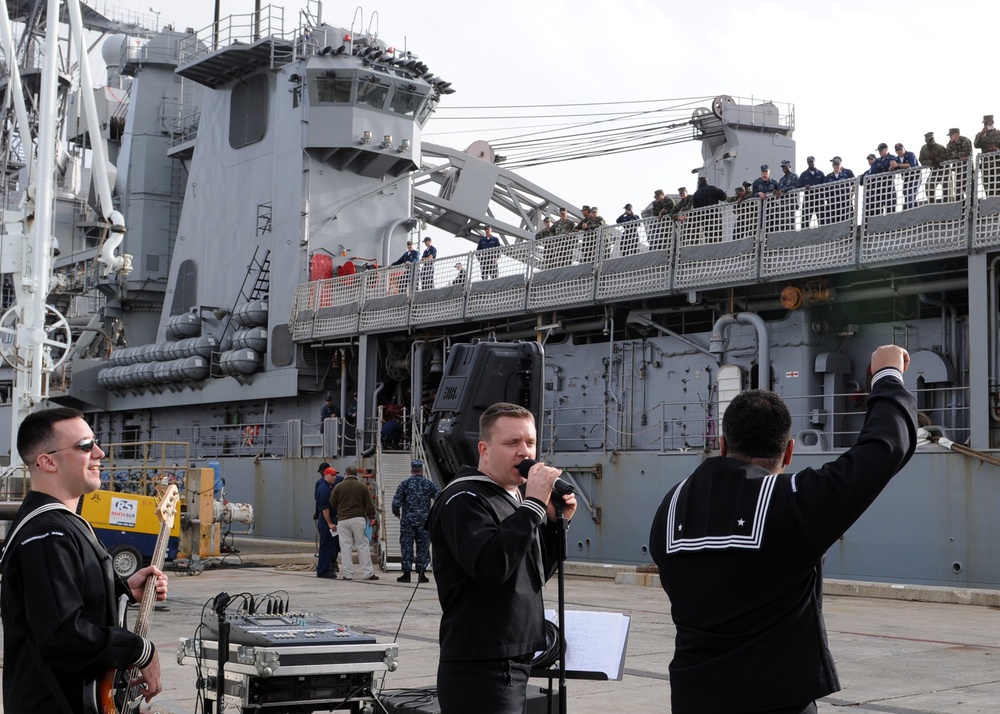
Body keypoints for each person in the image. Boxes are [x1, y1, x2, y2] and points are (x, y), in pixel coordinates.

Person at [649, 345, 917, 714]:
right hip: (777, 702)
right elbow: (886, 447)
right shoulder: (793, 502)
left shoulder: (670, 506)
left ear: (722, 444)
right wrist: (887, 375)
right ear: (789, 453)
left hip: (692, 699)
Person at [1, 407, 168, 713]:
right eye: (85, 446)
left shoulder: (63, 525)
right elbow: (62, 634)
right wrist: (140, 651)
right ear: (47, 461)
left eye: (96, 443)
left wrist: (120, 590)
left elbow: (52, 604)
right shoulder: (48, 533)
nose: (100, 453)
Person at [428, 402, 577, 714]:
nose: (524, 452)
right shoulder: (464, 499)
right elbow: (491, 568)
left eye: (530, 442)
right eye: (512, 443)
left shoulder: (514, 501)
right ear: (484, 449)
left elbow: (530, 575)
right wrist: (534, 504)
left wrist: (553, 523)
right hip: (482, 665)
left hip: (515, 658)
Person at [392, 459, 440, 583]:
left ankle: (406, 574)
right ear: (422, 470)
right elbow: (439, 497)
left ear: (411, 470)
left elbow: (396, 501)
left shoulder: (405, 483)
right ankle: (422, 574)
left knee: (406, 546)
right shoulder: (429, 484)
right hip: (424, 521)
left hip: (408, 521)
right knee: (423, 547)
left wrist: (397, 513)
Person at [329, 465, 379, 581]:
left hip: (343, 520)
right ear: (356, 474)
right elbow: (369, 503)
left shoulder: (338, 486)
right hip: (358, 519)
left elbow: (332, 502)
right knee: (362, 546)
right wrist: (371, 517)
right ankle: (368, 573)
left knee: (345, 547)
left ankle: (347, 574)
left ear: (346, 474)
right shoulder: (362, 487)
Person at [315, 466, 343, 578]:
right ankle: (323, 570)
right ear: (325, 475)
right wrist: (330, 523)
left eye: (335, 475)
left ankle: (325, 568)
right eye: (332, 475)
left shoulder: (328, 487)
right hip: (326, 520)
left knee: (330, 545)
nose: (334, 477)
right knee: (326, 545)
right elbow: (325, 509)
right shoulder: (324, 489)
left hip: (329, 518)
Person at [692, 177, 728, 241]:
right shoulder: (713, 189)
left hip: (704, 220)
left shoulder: (696, 194)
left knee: (709, 238)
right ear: (706, 181)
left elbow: (695, 209)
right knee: (718, 237)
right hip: (715, 217)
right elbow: (724, 197)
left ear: (699, 183)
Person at [919, 131, 950, 203]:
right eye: (930, 140)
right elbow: (921, 160)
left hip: (945, 170)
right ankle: (931, 203)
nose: (932, 140)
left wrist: (938, 161)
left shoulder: (940, 148)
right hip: (934, 171)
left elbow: (946, 158)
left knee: (947, 189)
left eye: (932, 139)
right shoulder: (924, 149)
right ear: (926, 141)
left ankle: (947, 204)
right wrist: (931, 163)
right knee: (929, 185)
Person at [974, 114, 1000, 197]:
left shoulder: (998, 133)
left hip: (997, 163)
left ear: (993, 122)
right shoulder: (980, 135)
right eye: (985, 123)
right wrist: (982, 134)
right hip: (986, 164)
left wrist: (996, 149)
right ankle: (990, 206)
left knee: (998, 185)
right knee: (987, 185)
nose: (987, 125)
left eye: (989, 123)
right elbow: (976, 145)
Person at [824, 156, 855, 224]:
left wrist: (850, 197)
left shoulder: (845, 176)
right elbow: (824, 191)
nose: (836, 166)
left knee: (845, 221)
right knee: (832, 222)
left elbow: (854, 184)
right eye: (835, 164)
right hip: (832, 203)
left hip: (844, 203)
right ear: (833, 165)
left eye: (838, 164)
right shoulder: (828, 177)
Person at [889, 142, 918, 210]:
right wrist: (892, 166)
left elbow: (910, 165)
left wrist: (898, 165)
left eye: (900, 149)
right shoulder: (896, 159)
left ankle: (911, 210)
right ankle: (911, 208)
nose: (899, 151)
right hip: (906, 179)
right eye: (897, 150)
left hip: (915, 177)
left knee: (911, 193)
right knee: (906, 193)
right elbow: (890, 170)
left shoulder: (910, 154)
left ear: (904, 148)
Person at [798, 156, 826, 228]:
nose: (811, 163)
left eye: (812, 162)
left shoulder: (820, 174)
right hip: (808, 200)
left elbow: (825, 186)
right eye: (809, 162)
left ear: (815, 162)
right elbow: (799, 186)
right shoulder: (803, 175)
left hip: (819, 199)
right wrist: (804, 187)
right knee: (805, 222)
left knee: (822, 220)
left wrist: (824, 199)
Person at [947, 127, 973, 202]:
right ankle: (962, 208)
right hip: (958, 170)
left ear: (956, 135)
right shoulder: (950, 144)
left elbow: (967, 153)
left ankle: (972, 207)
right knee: (958, 190)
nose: (950, 137)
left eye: (951, 135)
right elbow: (948, 156)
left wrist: (955, 155)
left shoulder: (964, 140)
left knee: (970, 189)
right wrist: (959, 156)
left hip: (967, 169)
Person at [774, 160, 800, 231]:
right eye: (782, 167)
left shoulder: (794, 176)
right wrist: (776, 191)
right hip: (782, 204)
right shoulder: (781, 180)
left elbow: (796, 186)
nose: (784, 168)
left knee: (790, 223)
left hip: (791, 203)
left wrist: (784, 190)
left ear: (790, 166)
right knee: (782, 223)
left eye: (785, 166)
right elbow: (779, 189)